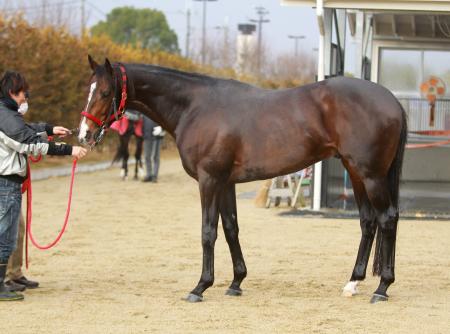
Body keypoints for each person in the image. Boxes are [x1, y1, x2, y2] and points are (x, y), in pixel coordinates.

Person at [0, 70, 87, 301]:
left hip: (10, 183)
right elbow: (27, 142)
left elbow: (26, 129)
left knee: (15, 229)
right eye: (24, 94)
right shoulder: (6, 117)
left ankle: (13, 274)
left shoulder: (8, 113)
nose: (26, 99)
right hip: (5, 182)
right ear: (12, 92)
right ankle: (1, 283)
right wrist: (69, 150)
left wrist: (50, 129)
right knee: (5, 234)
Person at [142, 115, 165, 183]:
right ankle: (149, 175)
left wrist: (162, 129)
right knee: (146, 157)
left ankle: (154, 176)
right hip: (147, 136)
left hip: (157, 136)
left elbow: (164, 121)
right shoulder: (144, 113)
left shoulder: (156, 110)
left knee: (155, 156)